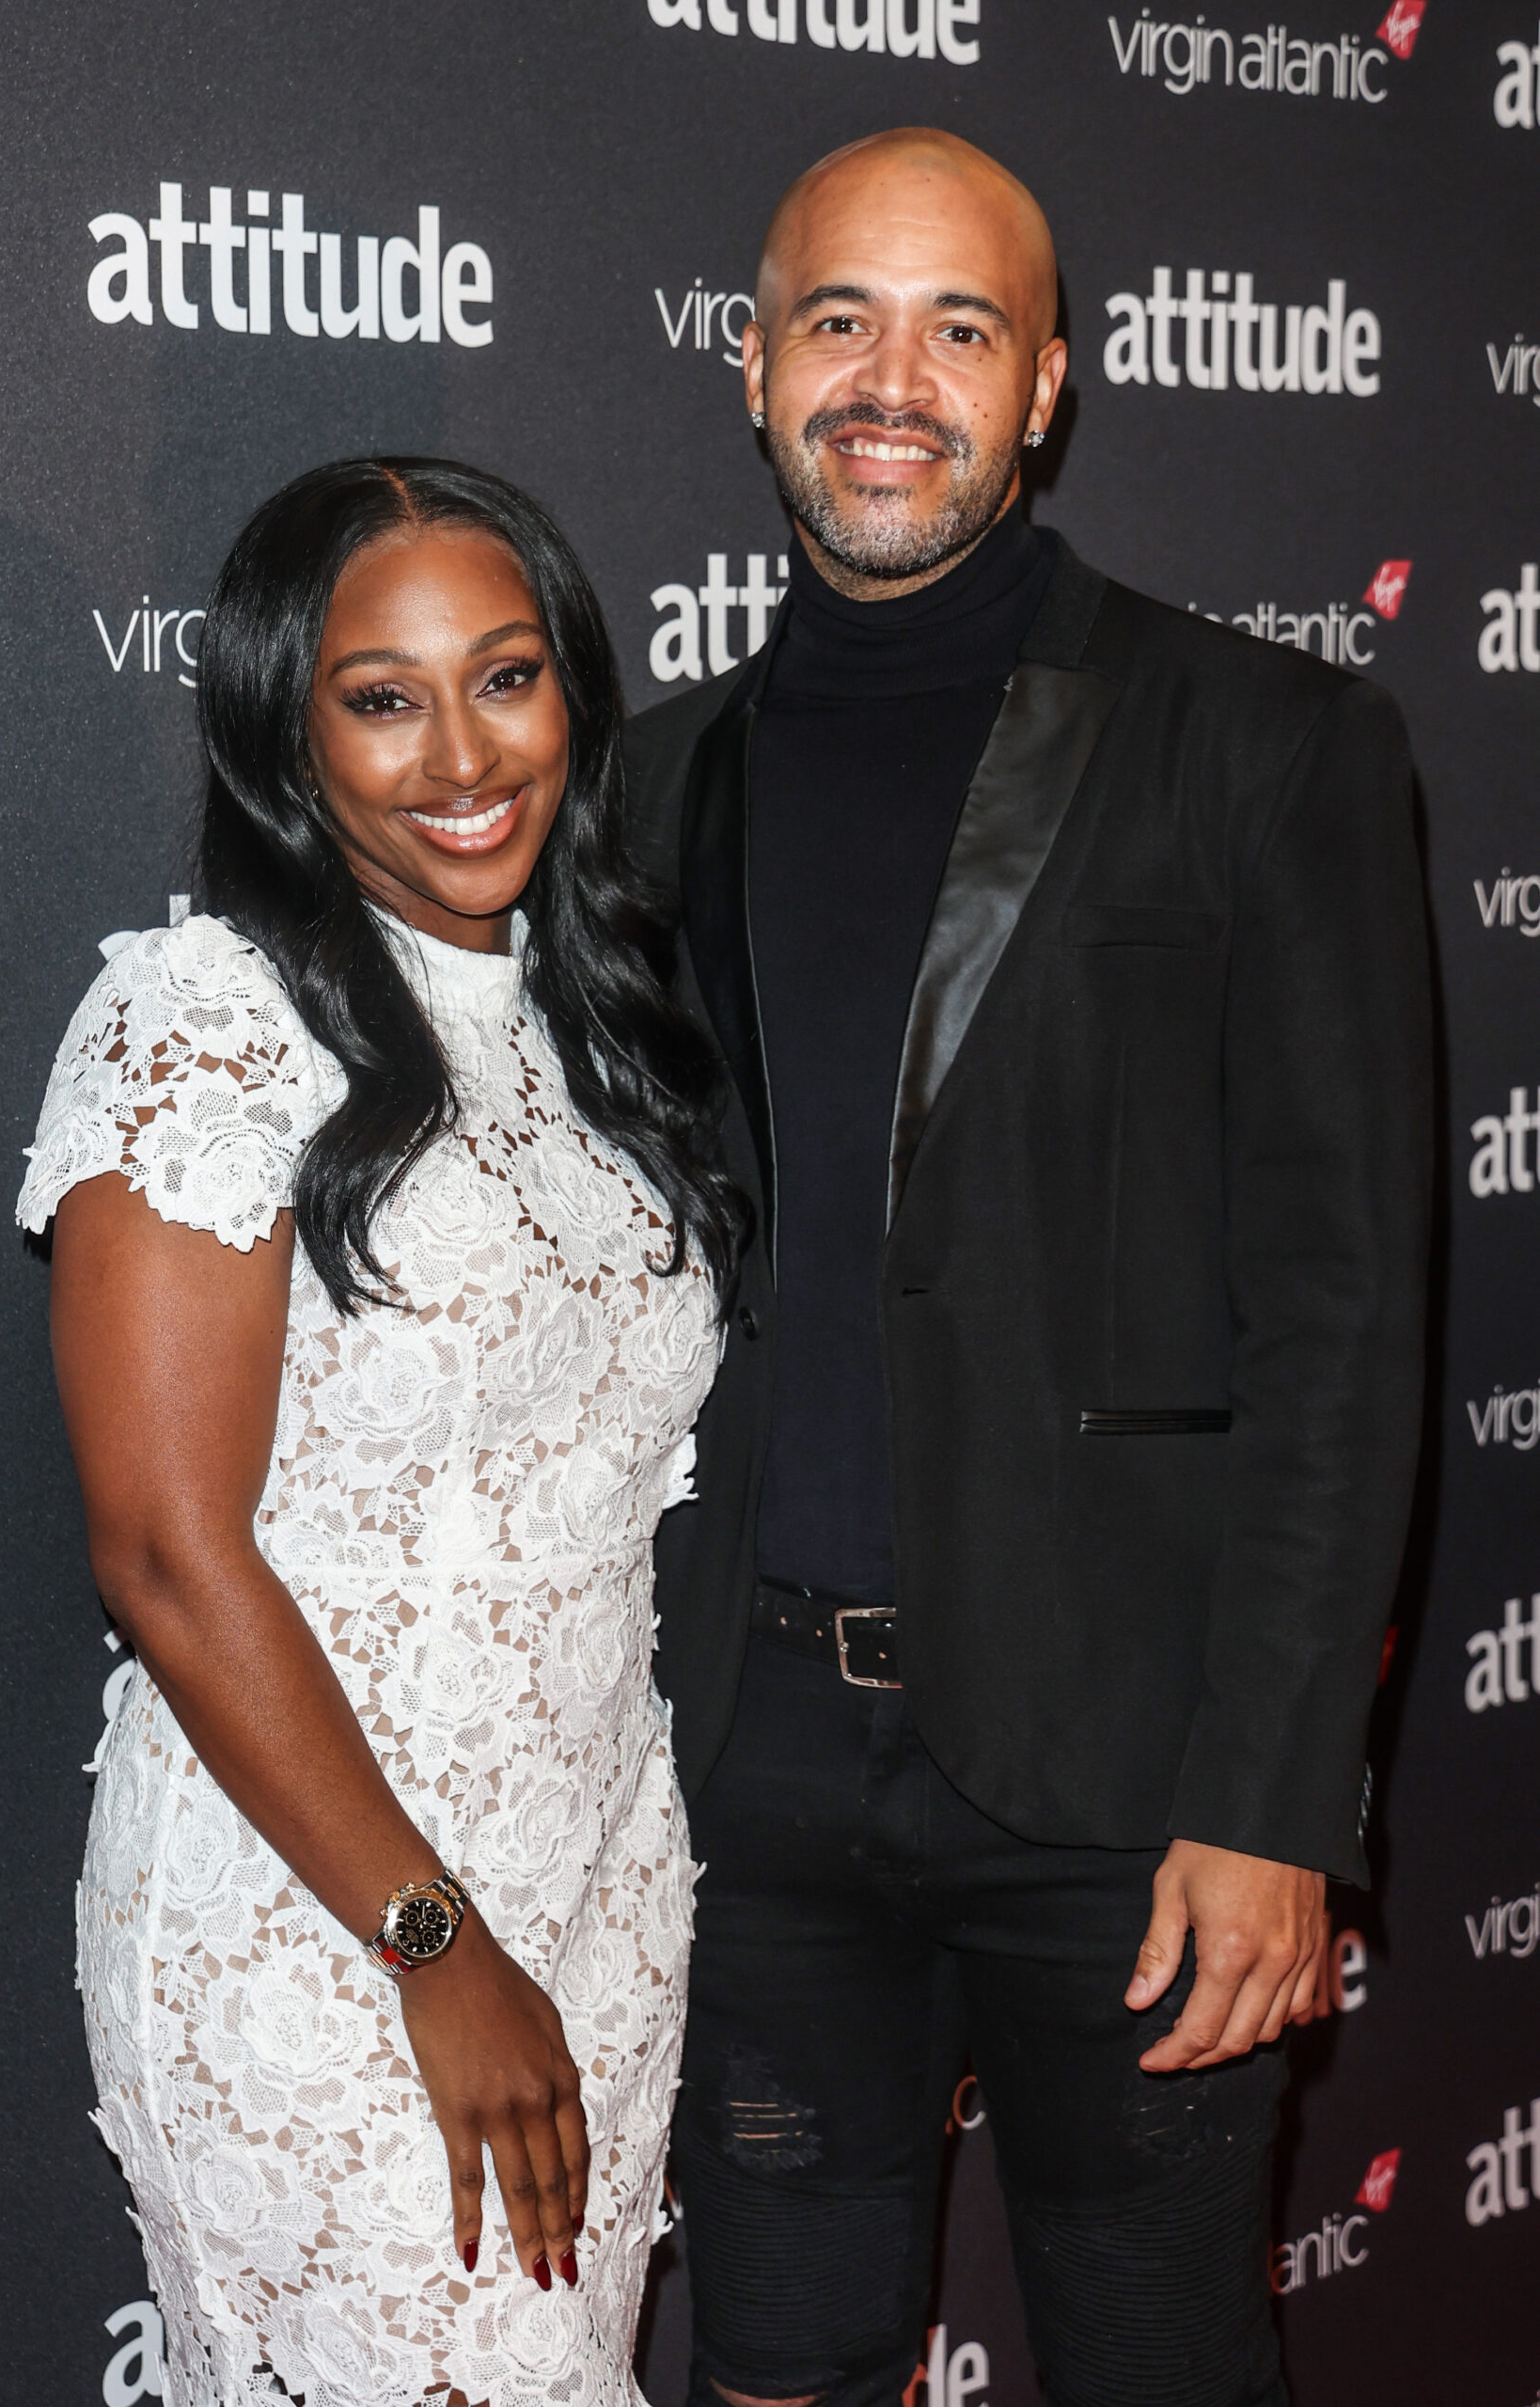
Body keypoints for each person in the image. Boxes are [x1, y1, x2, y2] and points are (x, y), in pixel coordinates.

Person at [623, 131, 1432, 2407]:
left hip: (1128, 1775)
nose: (895, 380)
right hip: (752, 1768)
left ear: (1049, 385)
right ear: (752, 365)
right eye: (839, 321)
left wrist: (1281, 1790)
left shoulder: (1266, 746)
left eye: (959, 328)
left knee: (1157, 2354)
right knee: (778, 2353)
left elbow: (1346, 1315)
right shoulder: (647, 785)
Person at [16, 457, 746, 2407]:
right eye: (382, 695)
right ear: (284, 724)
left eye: (504, 677)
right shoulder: (208, 1020)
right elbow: (167, 1547)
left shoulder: (607, 1026)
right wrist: (434, 1945)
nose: (459, 754)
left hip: (598, 1892)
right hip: (328, 1925)